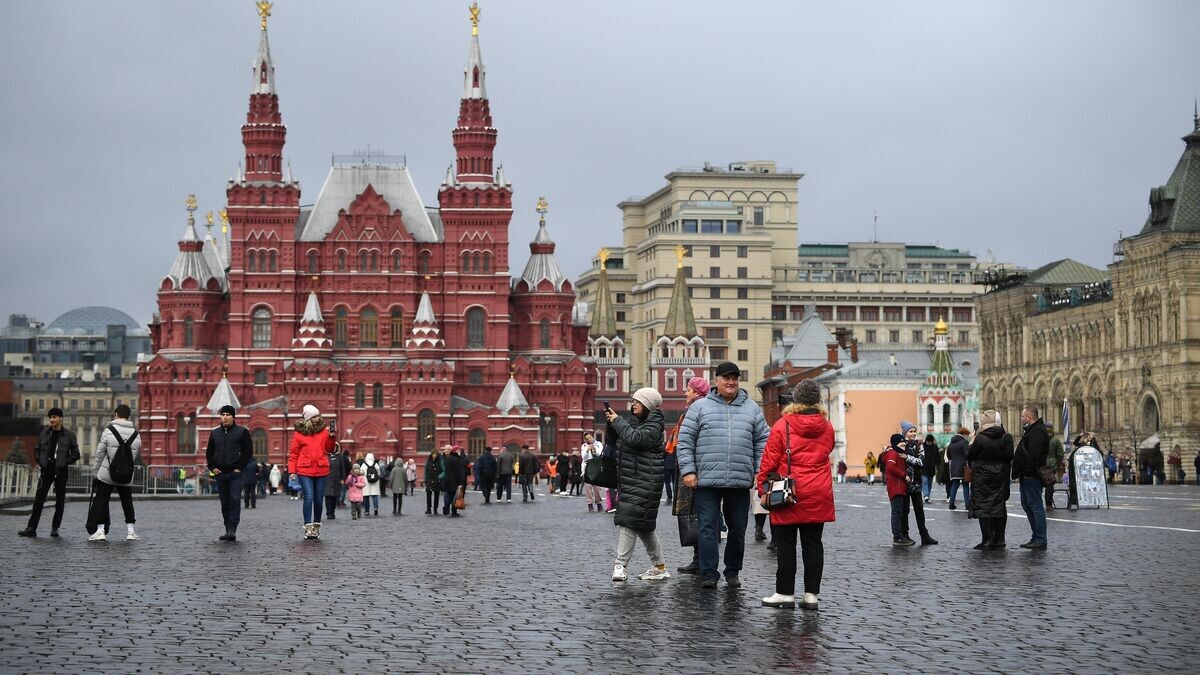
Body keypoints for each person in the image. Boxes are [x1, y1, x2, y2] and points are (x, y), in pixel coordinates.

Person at [676, 361, 770, 589]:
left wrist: (760, 470)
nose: (731, 382)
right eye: (726, 378)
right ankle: (709, 572)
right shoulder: (699, 408)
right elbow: (685, 442)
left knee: (738, 529)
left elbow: (763, 443)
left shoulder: (752, 408)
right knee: (707, 527)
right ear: (716, 381)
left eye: (735, 378)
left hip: (739, 480)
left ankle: (732, 571)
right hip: (707, 480)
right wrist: (688, 470)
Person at [758, 380, 835, 610]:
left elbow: (769, 459)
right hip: (818, 490)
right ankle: (811, 595)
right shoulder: (827, 426)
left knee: (786, 544)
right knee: (813, 544)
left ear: (796, 400)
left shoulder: (784, 425)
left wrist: (763, 487)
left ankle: (785, 593)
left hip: (788, 491)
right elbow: (827, 450)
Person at [606, 388, 668, 582]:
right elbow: (616, 440)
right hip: (633, 480)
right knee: (643, 526)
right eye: (632, 401)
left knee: (628, 520)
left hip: (646, 481)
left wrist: (617, 422)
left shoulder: (655, 424)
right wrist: (611, 424)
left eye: (637, 401)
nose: (633, 404)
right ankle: (660, 567)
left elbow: (636, 440)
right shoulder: (634, 421)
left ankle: (620, 565)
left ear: (648, 404)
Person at [669, 377, 711, 573]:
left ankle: (701, 560)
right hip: (691, 468)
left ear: (696, 393)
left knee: (697, 515)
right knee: (696, 514)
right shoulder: (699, 410)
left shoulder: (695, 412)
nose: (685, 393)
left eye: (688, 390)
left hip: (694, 470)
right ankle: (699, 558)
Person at [19, 407, 80, 538]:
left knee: (60, 501)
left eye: (55, 417)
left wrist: (63, 463)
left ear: (61, 418)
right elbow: (37, 449)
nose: (52, 420)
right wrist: (41, 462)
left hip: (61, 471)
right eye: (50, 417)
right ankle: (31, 528)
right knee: (39, 500)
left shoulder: (69, 435)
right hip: (46, 470)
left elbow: (76, 454)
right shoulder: (44, 433)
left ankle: (55, 528)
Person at [85, 405, 141, 542]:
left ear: (116, 414)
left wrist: (95, 471)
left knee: (102, 501)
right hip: (126, 474)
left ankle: (100, 531)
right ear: (129, 416)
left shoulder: (109, 430)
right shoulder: (136, 434)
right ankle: (130, 531)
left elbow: (100, 453)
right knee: (127, 501)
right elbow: (133, 455)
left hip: (107, 473)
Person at [967, 410, 1014, 549]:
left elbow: (970, 455)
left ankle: (987, 539)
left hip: (982, 476)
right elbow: (1008, 456)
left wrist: (971, 442)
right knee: (999, 506)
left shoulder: (980, 438)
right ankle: (1000, 539)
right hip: (1000, 475)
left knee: (983, 507)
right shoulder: (1006, 437)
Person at [205, 405, 253, 541]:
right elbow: (209, 452)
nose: (225, 417)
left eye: (227, 415)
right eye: (223, 414)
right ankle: (227, 528)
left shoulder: (242, 432)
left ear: (233, 417)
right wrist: (212, 467)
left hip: (235, 473)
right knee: (224, 502)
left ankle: (232, 528)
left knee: (234, 499)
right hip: (220, 473)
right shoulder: (215, 433)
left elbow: (248, 452)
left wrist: (240, 467)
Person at [287, 404, 335, 540]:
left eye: (317, 416)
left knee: (319, 499)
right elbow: (294, 454)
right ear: (308, 418)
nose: (317, 419)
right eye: (314, 416)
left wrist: (331, 437)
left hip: (321, 469)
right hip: (304, 469)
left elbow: (330, 449)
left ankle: (316, 525)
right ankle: (308, 527)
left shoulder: (324, 432)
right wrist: (292, 471)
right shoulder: (299, 433)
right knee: (308, 496)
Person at [1011, 405, 1049, 550]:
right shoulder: (1033, 430)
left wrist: (1027, 471)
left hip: (1032, 476)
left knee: (1035, 506)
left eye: (1022, 416)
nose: (1021, 419)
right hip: (1026, 475)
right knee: (1027, 505)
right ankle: (1036, 536)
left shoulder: (1038, 431)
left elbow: (1035, 455)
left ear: (1029, 417)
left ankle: (1040, 538)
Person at [946, 427, 971, 510]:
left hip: (953, 465)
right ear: (964, 434)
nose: (967, 436)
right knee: (965, 485)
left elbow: (948, 454)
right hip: (963, 466)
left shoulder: (951, 442)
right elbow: (967, 454)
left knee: (954, 485)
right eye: (967, 435)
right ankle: (967, 504)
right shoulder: (964, 442)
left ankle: (951, 504)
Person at [581, 432, 604, 512]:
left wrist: (594, 449)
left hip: (596, 467)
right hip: (587, 467)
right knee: (588, 487)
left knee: (597, 487)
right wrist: (587, 450)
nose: (589, 440)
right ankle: (590, 505)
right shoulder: (584, 446)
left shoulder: (598, 444)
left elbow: (599, 454)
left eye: (590, 437)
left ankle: (599, 504)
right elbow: (583, 457)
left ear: (592, 436)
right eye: (587, 439)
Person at [441, 445, 467, 516]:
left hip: (450, 480)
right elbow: (459, 471)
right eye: (445, 449)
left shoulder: (451, 459)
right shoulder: (454, 459)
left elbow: (458, 470)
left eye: (448, 449)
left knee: (451, 496)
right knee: (450, 496)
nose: (446, 451)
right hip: (449, 480)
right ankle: (449, 509)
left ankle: (449, 509)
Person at [1044, 424, 1065, 510]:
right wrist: (1058, 463)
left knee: (1038, 484)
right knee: (1049, 485)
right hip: (1052, 465)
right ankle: (1048, 504)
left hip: (1042, 464)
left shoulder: (1041, 440)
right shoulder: (1056, 440)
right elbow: (1060, 454)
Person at [324, 442, 347, 519]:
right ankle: (328, 513)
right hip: (327, 480)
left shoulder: (340, 457)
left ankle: (332, 512)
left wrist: (343, 479)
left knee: (334, 497)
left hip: (337, 480)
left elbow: (342, 469)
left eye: (334, 447)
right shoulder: (325, 457)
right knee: (328, 497)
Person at [360, 452, 383, 517]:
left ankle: (367, 511)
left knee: (366, 497)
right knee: (374, 496)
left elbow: (361, 472)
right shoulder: (376, 464)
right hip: (375, 482)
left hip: (366, 482)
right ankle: (376, 509)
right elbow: (379, 473)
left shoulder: (364, 464)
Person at [921, 435, 940, 503]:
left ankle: (927, 496)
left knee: (929, 483)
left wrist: (936, 463)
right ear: (926, 441)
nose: (929, 443)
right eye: (928, 442)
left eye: (930, 442)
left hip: (931, 468)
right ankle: (926, 495)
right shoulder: (922, 446)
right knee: (925, 482)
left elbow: (938, 457)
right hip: (923, 468)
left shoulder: (935, 447)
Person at [423, 448, 441, 514]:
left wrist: (439, 477)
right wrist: (424, 480)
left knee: (436, 495)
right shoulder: (428, 460)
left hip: (437, 480)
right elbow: (425, 471)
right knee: (428, 495)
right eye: (433, 454)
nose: (434, 455)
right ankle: (428, 508)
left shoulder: (440, 461)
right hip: (429, 480)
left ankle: (435, 509)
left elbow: (442, 470)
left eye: (435, 454)